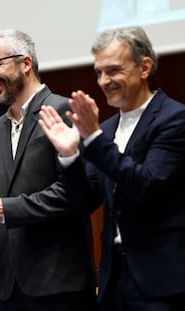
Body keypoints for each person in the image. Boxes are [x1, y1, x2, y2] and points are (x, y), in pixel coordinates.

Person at [0, 29, 98, 310]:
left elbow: (78, 194)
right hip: (8, 289)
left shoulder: (62, 110)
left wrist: (8, 209)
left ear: (26, 63)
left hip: (59, 285)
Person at [38, 26, 185, 310]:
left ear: (144, 67)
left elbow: (146, 185)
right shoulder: (106, 130)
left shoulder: (175, 119)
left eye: (114, 70)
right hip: (113, 281)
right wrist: (69, 155)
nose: (104, 81)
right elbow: (83, 203)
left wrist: (92, 138)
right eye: (98, 72)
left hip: (162, 282)